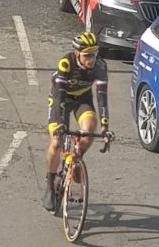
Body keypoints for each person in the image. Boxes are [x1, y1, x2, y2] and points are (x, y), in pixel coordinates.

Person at [42, 32, 111, 212]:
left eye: (94, 54)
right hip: (62, 98)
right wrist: (59, 124)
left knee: (90, 129)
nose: (91, 59)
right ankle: (49, 185)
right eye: (87, 55)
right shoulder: (66, 63)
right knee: (56, 143)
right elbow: (58, 97)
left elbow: (102, 97)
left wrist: (105, 125)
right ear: (77, 53)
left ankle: (77, 157)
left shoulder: (101, 66)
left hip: (83, 98)